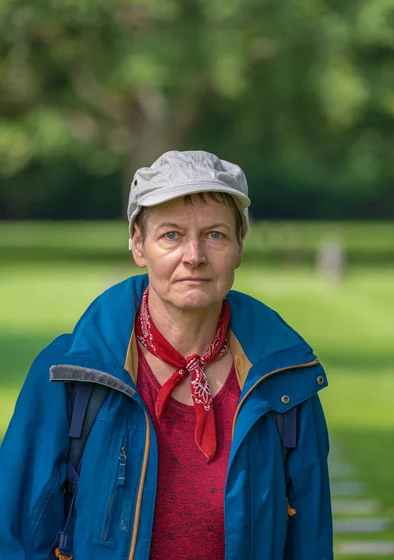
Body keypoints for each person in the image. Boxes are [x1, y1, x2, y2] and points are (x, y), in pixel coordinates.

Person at [0, 150, 333, 560]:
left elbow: (311, 544)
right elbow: (14, 538)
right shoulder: (68, 377)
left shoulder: (286, 383)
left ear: (239, 247)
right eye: (171, 235)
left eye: (215, 234)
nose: (194, 256)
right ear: (139, 245)